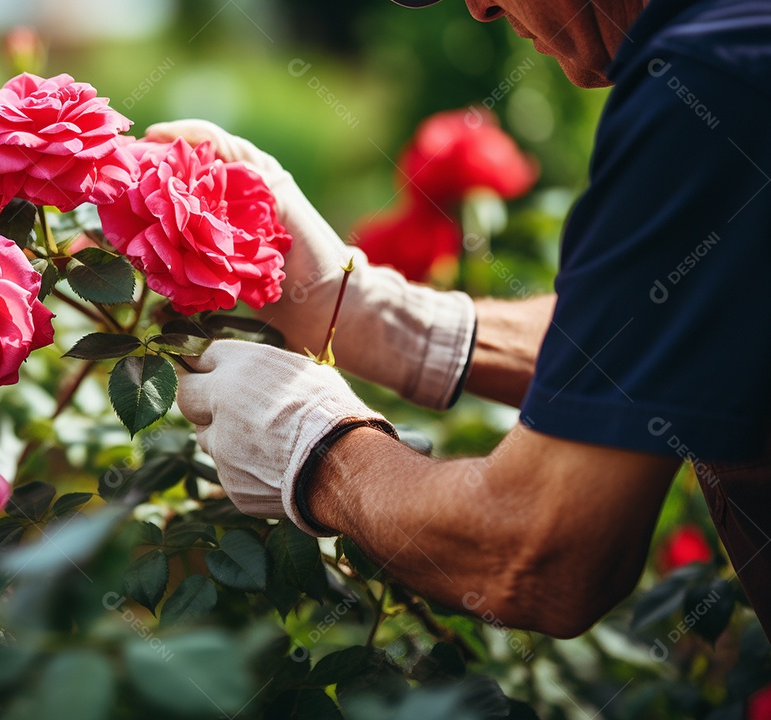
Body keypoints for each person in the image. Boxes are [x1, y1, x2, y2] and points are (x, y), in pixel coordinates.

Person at [149, 0, 771, 639]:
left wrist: (316, 452)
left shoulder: (711, 81)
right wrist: (368, 313)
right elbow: (668, 328)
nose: (480, 8)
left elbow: (540, 552)